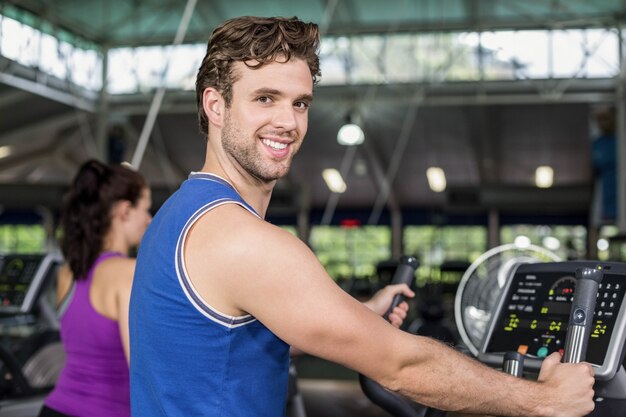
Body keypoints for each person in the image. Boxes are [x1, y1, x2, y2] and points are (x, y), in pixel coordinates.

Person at [129, 16, 595, 417]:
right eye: (265, 98)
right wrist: (544, 399)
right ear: (215, 104)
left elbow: (213, 349)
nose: (288, 122)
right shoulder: (244, 239)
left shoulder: (177, 215)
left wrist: (360, 316)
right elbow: (403, 366)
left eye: (300, 103)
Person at [40, 159, 152, 417]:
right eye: (145, 209)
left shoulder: (68, 272)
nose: (149, 220)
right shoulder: (128, 273)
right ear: (124, 211)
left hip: (56, 409)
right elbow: (142, 369)